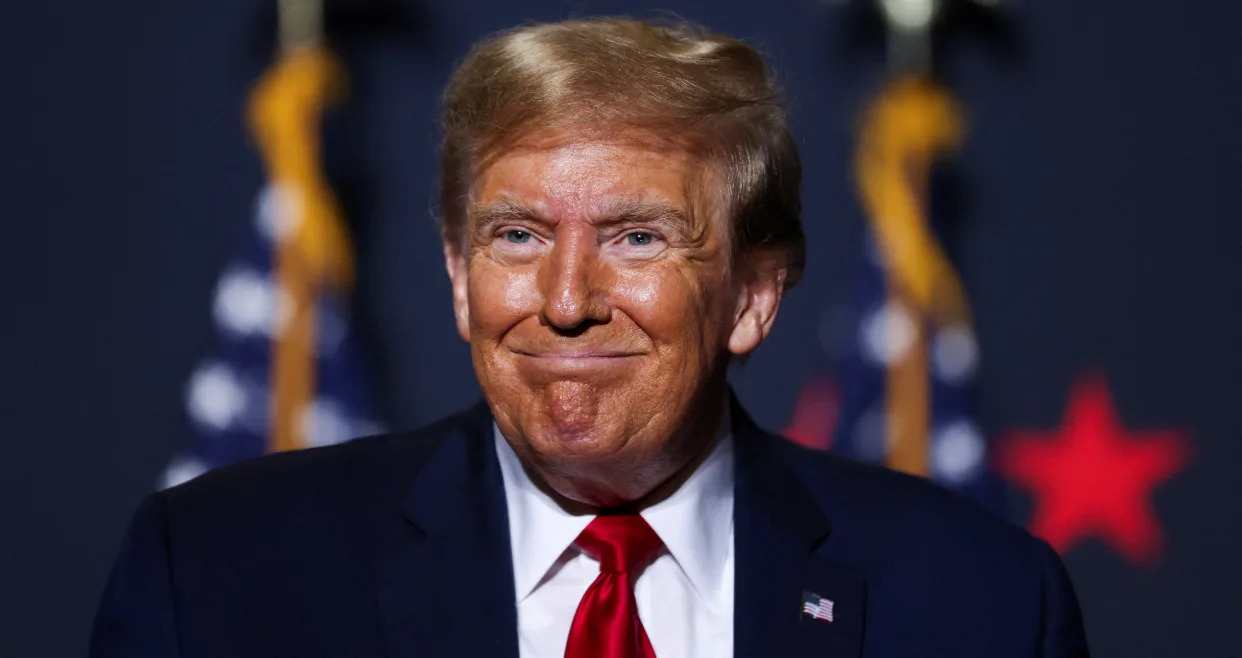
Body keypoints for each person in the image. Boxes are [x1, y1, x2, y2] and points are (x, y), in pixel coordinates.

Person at [91, 17, 1088, 658]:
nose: (565, 298)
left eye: (637, 236)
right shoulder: (217, 576)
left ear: (754, 292)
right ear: (456, 272)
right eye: (517, 235)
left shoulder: (983, 606)